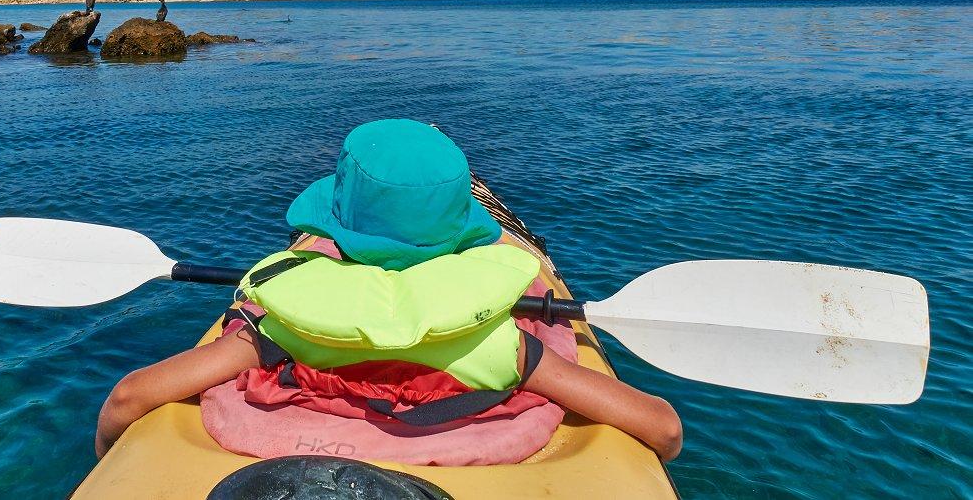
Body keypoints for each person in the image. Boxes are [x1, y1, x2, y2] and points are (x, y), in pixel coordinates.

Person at [95, 120, 682, 462]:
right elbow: (663, 428)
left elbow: (127, 398)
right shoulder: (501, 345)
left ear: (336, 230)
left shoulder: (276, 328)